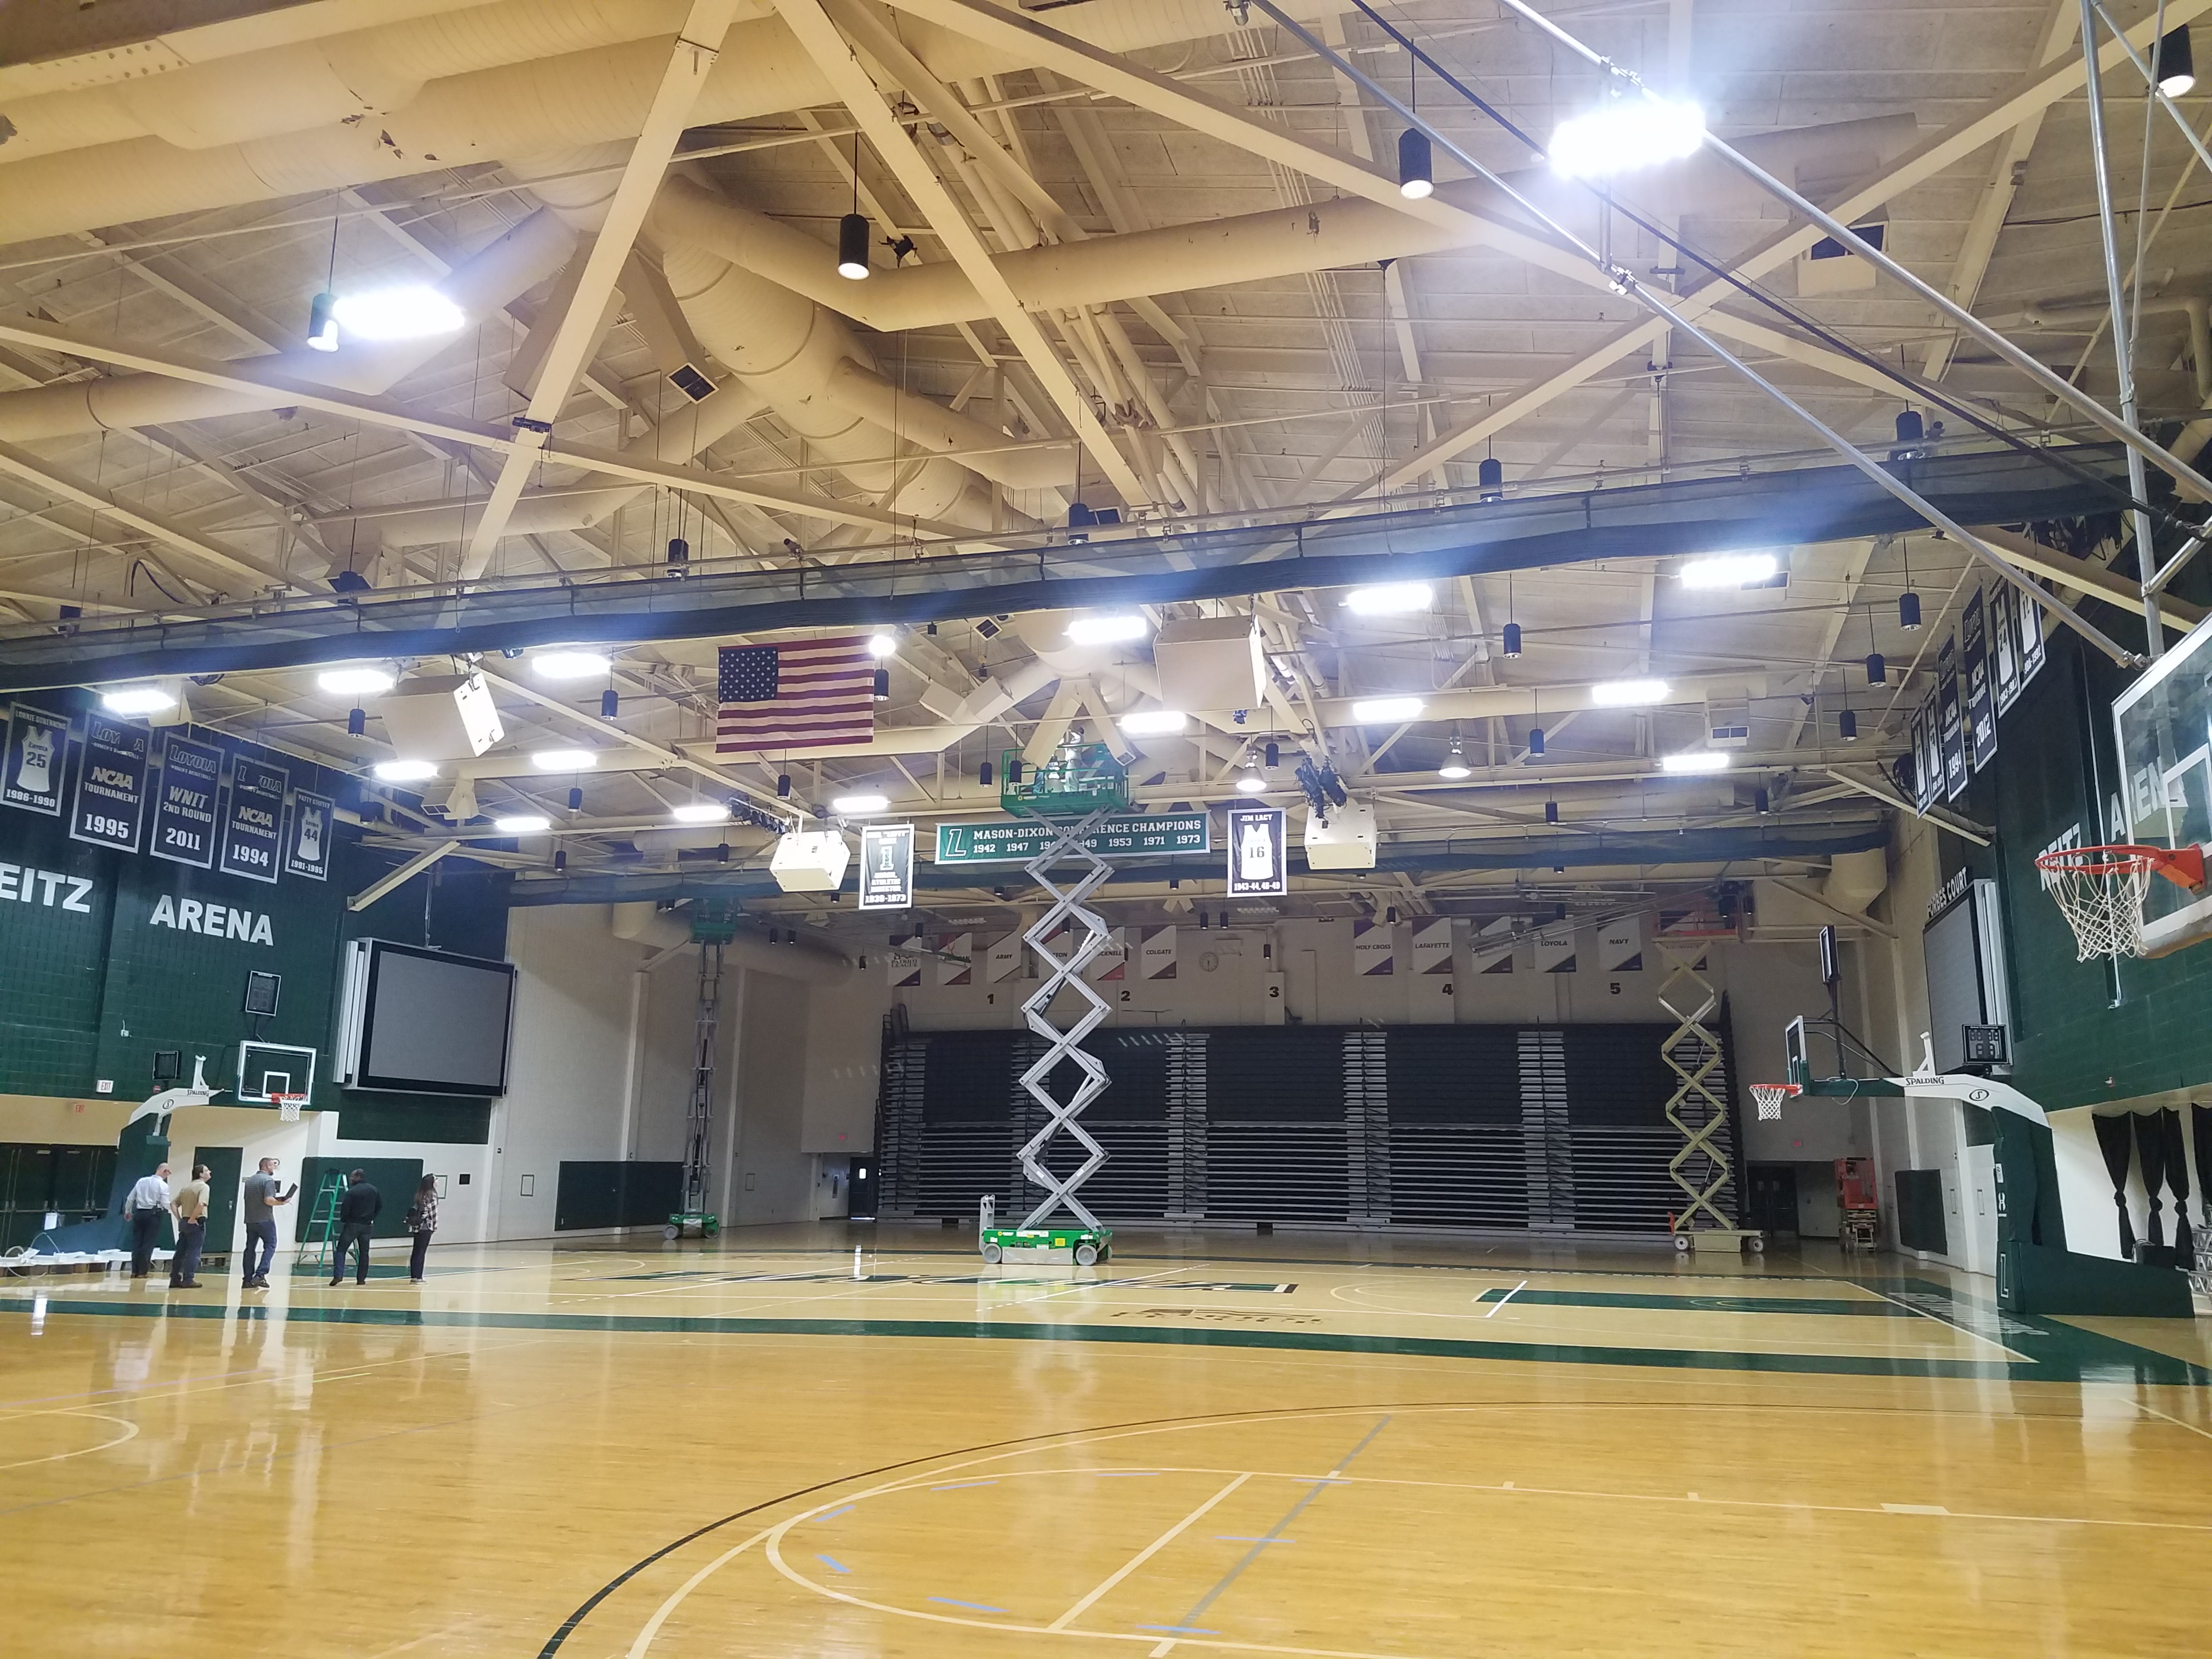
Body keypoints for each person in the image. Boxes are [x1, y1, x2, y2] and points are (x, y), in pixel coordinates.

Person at [240, 1157, 296, 1289]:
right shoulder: (268, 1180)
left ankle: (247, 1279)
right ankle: (260, 1274)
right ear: (266, 1166)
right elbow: (268, 1200)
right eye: (272, 1166)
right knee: (271, 1245)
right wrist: (282, 1202)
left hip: (250, 1219)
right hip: (265, 1219)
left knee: (250, 1248)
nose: (273, 1168)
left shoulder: (250, 1180)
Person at [330, 1169, 380, 1286]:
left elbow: (345, 1208)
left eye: (352, 1177)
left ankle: (338, 1275)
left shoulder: (351, 1192)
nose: (350, 1179)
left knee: (341, 1249)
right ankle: (361, 1279)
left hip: (352, 1225)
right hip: (367, 1225)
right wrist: (371, 1217)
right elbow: (379, 1206)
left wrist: (344, 1219)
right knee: (364, 1253)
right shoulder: (374, 1190)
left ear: (358, 1177)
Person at [125, 1163, 172, 1280]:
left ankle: (134, 1271)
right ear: (165, 1171)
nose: (169, 1175)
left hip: (139, 1213)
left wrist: (128, 1211)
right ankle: (143, 1272)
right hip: (154, 1215)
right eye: (169, 1172)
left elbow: (131, 1198)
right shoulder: (163, 1185)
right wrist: (175, 1209)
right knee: (148, 1243)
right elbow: (165, 1203)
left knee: (137, 1242)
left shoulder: (141, 1181)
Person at [168, 1163, 211, 1289]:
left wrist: (180, 1219)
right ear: (201, 1174)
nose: (210, 1172)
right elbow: (201, 1204)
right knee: (194, 1252)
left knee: (180, 1252)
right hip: (196, 1222)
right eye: (207, 1170)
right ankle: (189, 1279)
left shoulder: (186, 1187)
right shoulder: (204, 1187)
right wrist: (193, 1219)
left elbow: (173, 1204)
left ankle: (175, 1278)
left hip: (184, 1222)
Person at [405, 1175, 439, 1283]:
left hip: (417, 1227)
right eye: (436, 1180)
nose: (438, 1182)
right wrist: (434, 1227)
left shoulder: (420, 1194)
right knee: (421, 1252)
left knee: (416, 1251)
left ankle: (414, 1276)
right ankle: (419, 1277)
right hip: (426, 1227)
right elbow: (433, 1213)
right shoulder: (432, 1194)